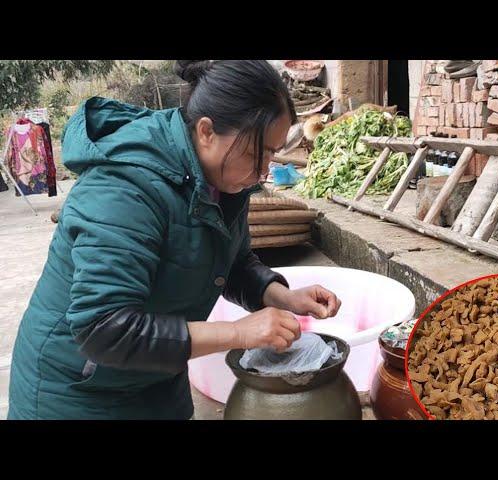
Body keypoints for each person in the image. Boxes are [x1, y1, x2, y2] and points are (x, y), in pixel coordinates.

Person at [8, 60, 342, 420]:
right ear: (206, 132)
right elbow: (102, 329)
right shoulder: (125, 187)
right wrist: (236, 333)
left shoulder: (224, 178)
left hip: (156, 376)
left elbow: (232, 262)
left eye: (272, 153)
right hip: (75, 391)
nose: (264, 171)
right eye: (255, 153)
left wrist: (286, 297)